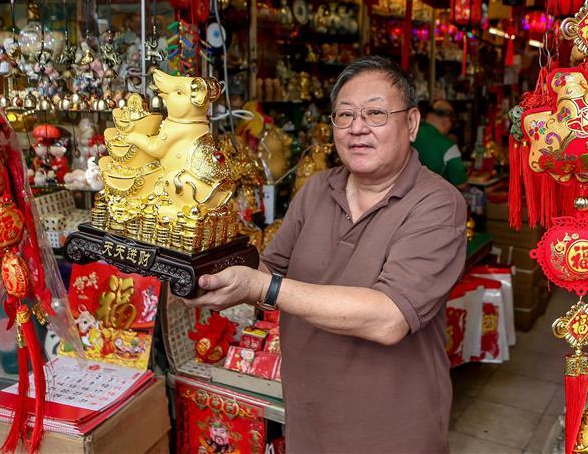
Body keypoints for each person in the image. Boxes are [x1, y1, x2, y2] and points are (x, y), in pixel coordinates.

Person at [188, 57, 467, 453]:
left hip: (393, 432)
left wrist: (263, 287)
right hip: (309, 420)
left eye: (375, 113)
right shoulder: (318, 188)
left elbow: (389, 318)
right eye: (345, 115)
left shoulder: (437, 203)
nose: (357, 128)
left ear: (412, 124)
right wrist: (206, 271)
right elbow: (268, 267)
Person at [413, 99, 469, 190]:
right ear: (447, 120)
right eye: (452, 123)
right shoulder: (448, 147)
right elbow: (461, 184)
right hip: (437, 199)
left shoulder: (408, 134)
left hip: (408, 198)